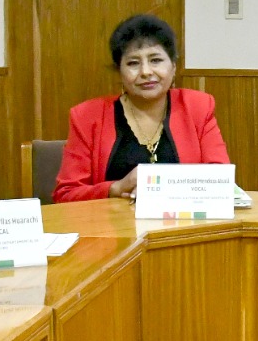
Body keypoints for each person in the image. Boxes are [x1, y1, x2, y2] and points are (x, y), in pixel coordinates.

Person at [53, 14, 230, 202]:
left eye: (156, 60)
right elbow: (66, 195)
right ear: (119, 71)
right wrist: (115, 188)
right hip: (111, 221)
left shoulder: (198, 107)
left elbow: (220, 181)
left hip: (182, 219)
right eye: (133, 63)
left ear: (173, 66)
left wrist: (165, 187)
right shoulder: (87, 116)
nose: (146, 72)